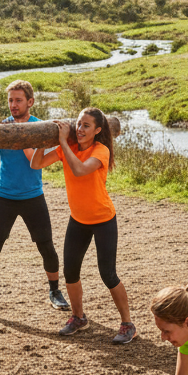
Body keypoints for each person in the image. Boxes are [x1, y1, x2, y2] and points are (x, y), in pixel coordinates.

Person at [31, 108, 135, 343]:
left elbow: (79, 170)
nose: (80, 129)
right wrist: (43, 141)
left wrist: (61, 143)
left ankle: (128, 324)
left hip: (103, 219)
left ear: (98, 130)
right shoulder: (68, 147)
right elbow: (35, 164)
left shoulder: (101, 150)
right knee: (71, 272)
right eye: (78, 124)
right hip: (78, 219)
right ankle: (79, 318)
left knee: (108, 274)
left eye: (86, 125)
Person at [0, 80, 68, 321]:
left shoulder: (40, 128)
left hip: (33, 195)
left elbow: (34, 159)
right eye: (10, 100)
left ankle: (55, 291)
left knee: (46, 245)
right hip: (4, 196)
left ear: (30, 102)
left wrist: (19, 135)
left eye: (18, 100)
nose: (13, 105)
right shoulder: (2, 127)